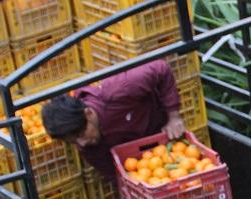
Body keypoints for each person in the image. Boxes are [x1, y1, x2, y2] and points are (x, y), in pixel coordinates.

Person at [41, 58, 185, 181]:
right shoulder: (88, 146)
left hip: (164, 133)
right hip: (148, 166)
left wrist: (173, 116)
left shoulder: (116, 92)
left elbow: (161, 68)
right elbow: (114, 175)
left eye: (81, 134)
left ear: (89, 114)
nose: (82, 143)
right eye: (73, 141)